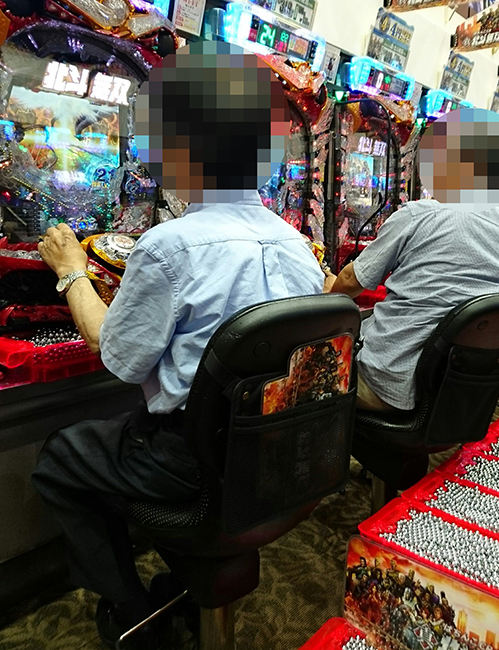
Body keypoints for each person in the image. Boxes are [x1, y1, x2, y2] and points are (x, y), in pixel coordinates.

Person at [31, 41, 325, 650]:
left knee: (64, 456)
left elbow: (116, 356)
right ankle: (185, 581)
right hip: (284, 457)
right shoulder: (297, 247)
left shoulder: (169, 245)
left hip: (194, 463)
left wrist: (72, 271)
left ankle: (129, 609)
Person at [328, 108, 499, 411]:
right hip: (460, 397)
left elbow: (350, 283)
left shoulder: (420, 215)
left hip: (386, 385)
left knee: (297, 371)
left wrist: (327, 289)